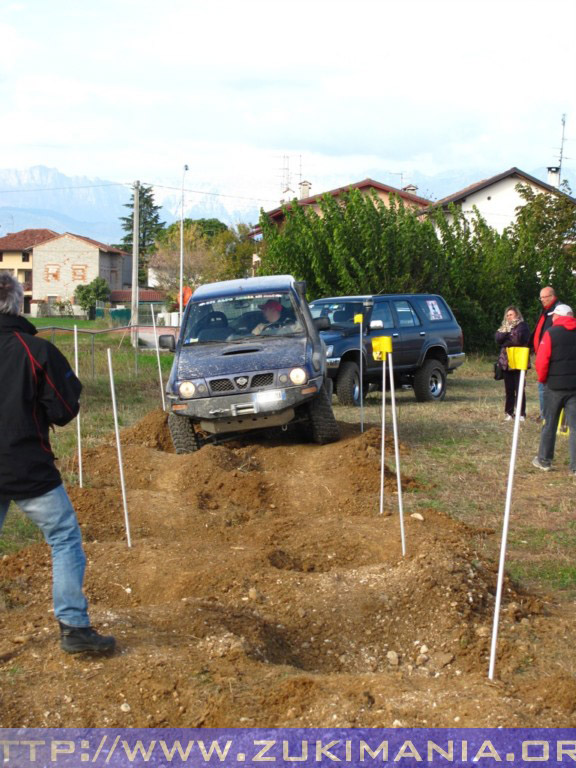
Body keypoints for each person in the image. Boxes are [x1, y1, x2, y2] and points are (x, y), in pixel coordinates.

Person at [0, 273, 115, 654]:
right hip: (27, 465)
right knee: (64, 538)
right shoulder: (36, 350)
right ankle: (74, 628)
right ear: (19, 304)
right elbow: (65, 409)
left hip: (22, 465)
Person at [532, 304, 576, 476]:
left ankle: (544, 460)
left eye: (554, 316)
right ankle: (574, 467)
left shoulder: (551, 333)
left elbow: (542, 361)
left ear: (558, 316)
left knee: (549, 423)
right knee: (575, 427)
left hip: (554, 386)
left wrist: (543, 380)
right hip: (574, 387)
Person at [495, 305, 530, 421]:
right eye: (507, 315)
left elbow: (518, 339)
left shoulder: (523, 326)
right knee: (509, 389)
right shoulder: (504, 326)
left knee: (519, 388)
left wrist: (506, 340)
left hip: (519, 359)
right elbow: (498, 338)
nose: (509, 317)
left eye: (511, 314)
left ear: (517, 315)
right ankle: (509, 413)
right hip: (506, 361)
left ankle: (521, 413)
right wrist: (508, 334)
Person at [530, 286, 561, 419]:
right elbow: (540, 330)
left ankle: (547, 415)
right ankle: (545, 413)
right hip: (541, 354)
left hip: (551, 355)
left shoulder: (558, 311)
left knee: (544, 386)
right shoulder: (546, 310)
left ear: (552, 297)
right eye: (541, 298)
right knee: (542, 385)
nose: (542, 300)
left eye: (544, 297)